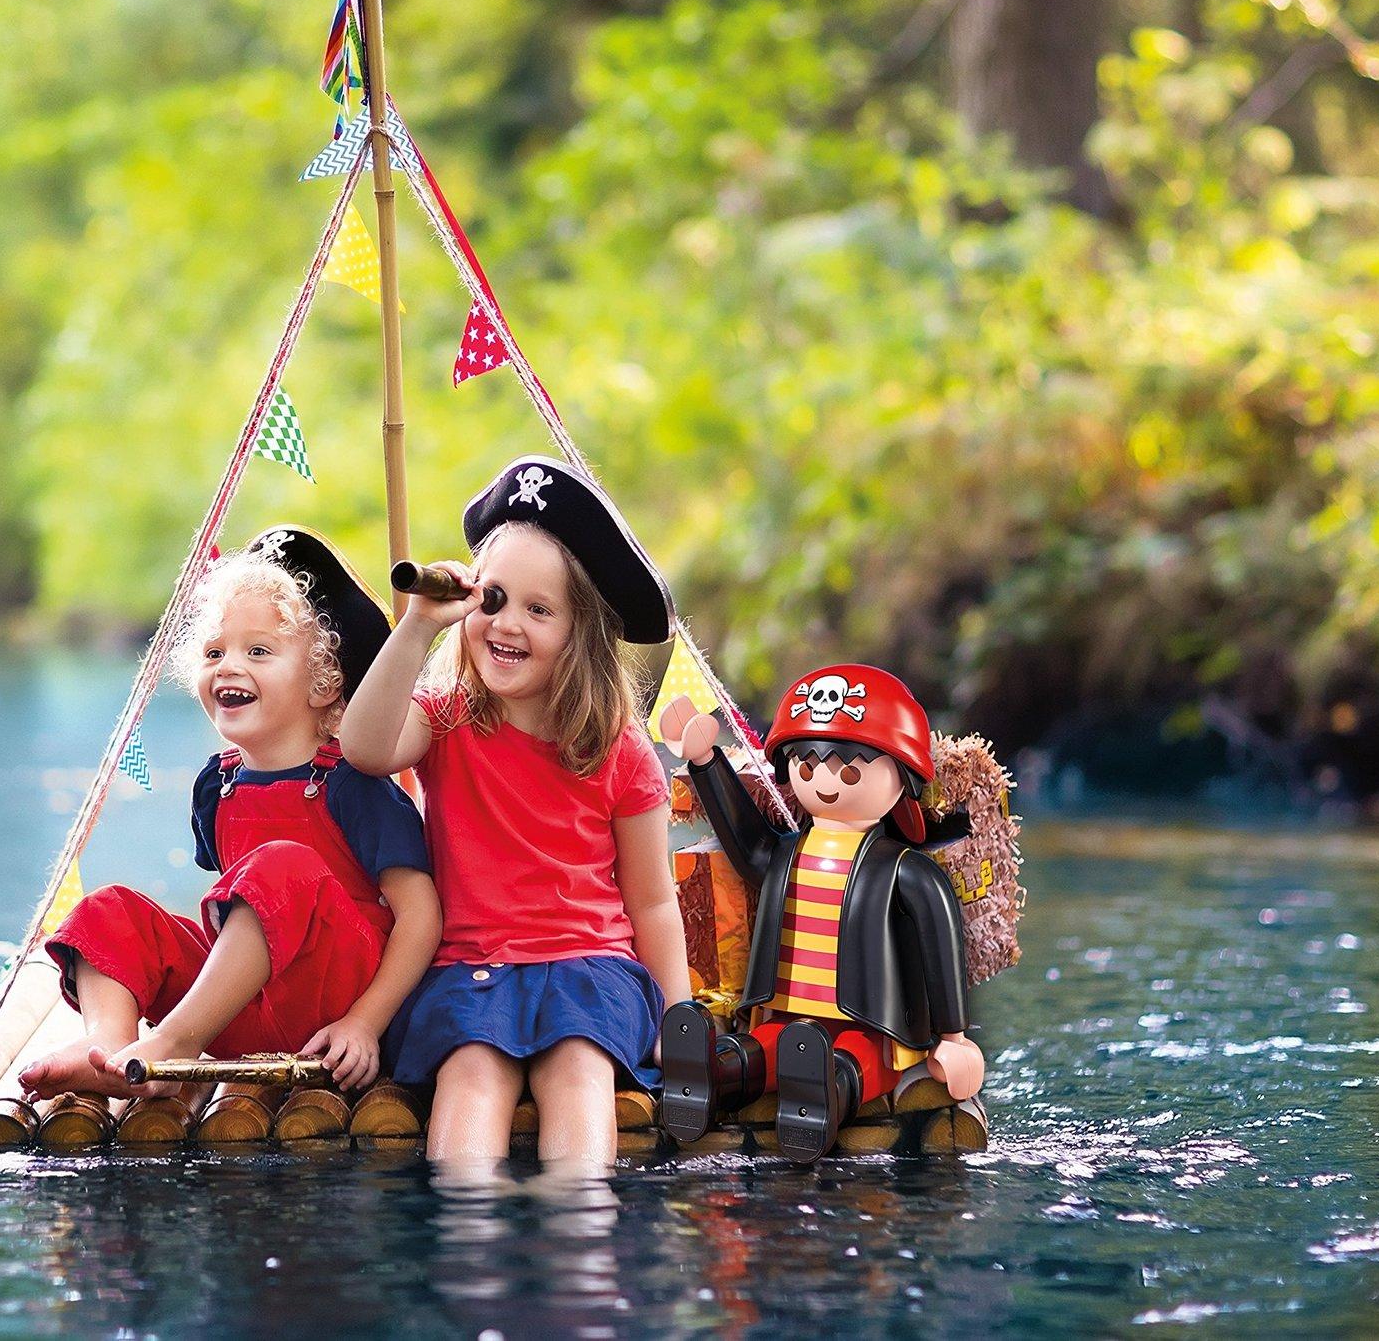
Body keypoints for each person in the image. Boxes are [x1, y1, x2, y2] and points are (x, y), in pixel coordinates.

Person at [340, 456, 690, 1164]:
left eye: (539, 610)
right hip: (470, 969)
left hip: (590, 966)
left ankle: (578, 1215)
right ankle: (471, 1222)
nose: (507, 625)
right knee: (470, 1074)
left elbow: (652, 901)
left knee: (580, 1069)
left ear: (581, 632)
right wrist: (417, 628)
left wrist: (678, 1018)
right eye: (494, 599)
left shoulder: (619, 748)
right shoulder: (445, 717)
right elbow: (364, 748)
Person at [17, 526, 440, 1098]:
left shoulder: (354, 784)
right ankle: (110, 1045)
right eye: (214, 652)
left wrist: (366, 1022)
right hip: (248, 1009)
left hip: (333, 1008)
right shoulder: (217, 785)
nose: (227, 667)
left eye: (257, 651)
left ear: (323, 682)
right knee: (108, 909)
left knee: (280, 866)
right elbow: (235, 921)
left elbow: (421, 917)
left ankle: (174, 1041)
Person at [655, 664, 985, 1162]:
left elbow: (941, 943)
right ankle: (713, 1075)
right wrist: (706, 761)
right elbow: (745, 840)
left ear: (902, 777)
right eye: (808, 767)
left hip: (871, 1022)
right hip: (787, 1013)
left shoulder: (904, 869)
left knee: (852, 1058)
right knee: (764, 1048)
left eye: (848, 770)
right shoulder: (787, 853)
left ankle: (824, 1093)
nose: (826, 780)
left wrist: (954, 1037)